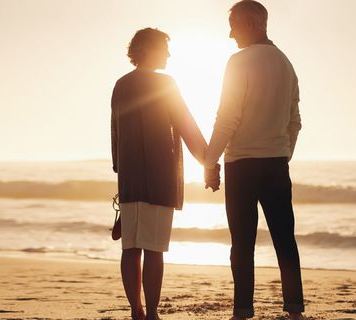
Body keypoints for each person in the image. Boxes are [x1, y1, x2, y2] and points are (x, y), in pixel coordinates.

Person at [203, 1, 304, 319]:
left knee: (242, 243)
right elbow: (295, 121)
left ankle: (243, 310)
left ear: (251, 23)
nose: (230, 32)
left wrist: (209, 161)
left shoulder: (239, 61)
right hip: (276, 164)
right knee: (284, 239)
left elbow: (227, 118)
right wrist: (283, 154)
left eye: (233, 23)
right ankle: (295, 307)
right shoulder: (285, 63)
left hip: (242, 164)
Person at [111, 28, 216, 320]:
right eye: (165, 49)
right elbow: (186, 126)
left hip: (131, 179)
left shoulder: (121, 85)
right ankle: (153, 312)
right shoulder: (166, 84)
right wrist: (208, 161)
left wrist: (121, 169)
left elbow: (115, 133)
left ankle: (137, 311)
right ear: (150, 49)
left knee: (130, 248)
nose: (169, 55)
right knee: (154, 249)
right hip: (159, 178)